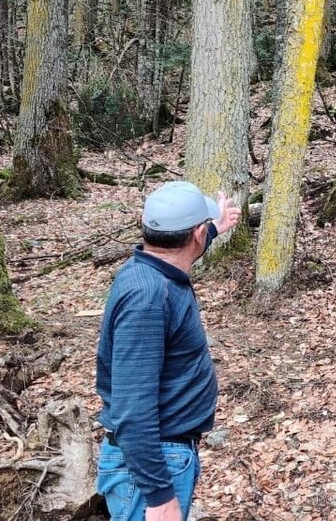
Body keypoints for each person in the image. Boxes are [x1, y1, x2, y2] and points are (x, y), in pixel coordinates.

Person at [95, 181, 242, 521]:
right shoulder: (148, 301)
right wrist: (160, 496)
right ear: (195, 235)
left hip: (163, 456)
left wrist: (214, 228)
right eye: (204, 229)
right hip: (155, 464)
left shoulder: (148, 269)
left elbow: (178, 247)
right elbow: (132, 408)